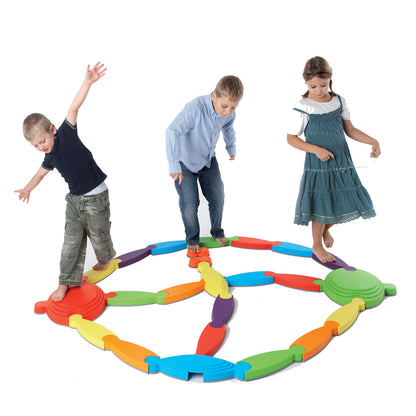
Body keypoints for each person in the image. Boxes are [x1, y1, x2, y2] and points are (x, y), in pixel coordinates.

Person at [15, 62, 116, 301]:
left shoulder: (66, 133)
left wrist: (87, 82)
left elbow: (74, 107)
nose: (42, 147)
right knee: (70, 242)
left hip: (96, 195)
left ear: (52, 129)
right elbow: (40, 174)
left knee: (99, 235)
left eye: (43, 141)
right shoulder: (49, 157)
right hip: (75, 201)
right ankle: (65, 282)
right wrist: (28, 188)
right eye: (36, 146)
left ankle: (107, 255)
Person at [287, 57, 380, 263]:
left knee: (348, 199)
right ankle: (317, 244)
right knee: (321, 203)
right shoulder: (304, 106)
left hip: (341, 160)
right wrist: (316, 150)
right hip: (319, 164)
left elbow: (350, 130)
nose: (319, 90)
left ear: (330, 79)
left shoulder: (339, 101)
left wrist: (373, 141)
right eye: (313, 86)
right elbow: (291, 138)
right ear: (305, 81)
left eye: (323, 85)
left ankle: (325, 230)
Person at [166, 75, 244, 252]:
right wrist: (173, 164)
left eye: (233, 107)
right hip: (184, 163)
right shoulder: (195, 109)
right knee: (190, 203)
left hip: (208, 161)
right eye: (224, 106)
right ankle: (192, 239)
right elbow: (172, 132)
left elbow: (228, 127)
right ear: (214, 96)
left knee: (218, 198)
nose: (227, 111)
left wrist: (231, 147)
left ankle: (217, 231)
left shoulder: (229, 113)